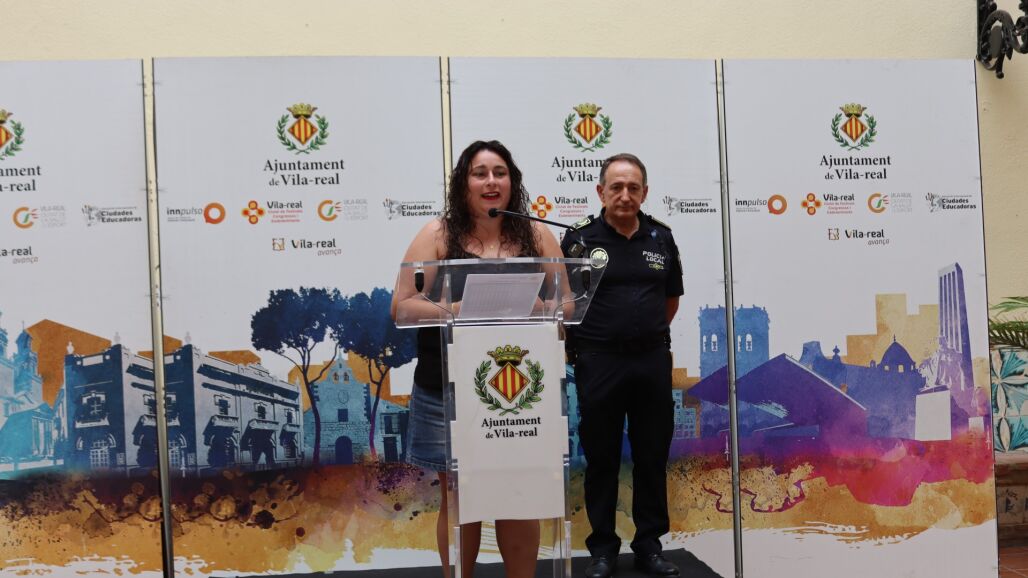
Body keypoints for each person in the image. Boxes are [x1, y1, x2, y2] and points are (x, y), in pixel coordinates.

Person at [391, 140, 564, 578]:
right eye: (480, 173)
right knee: (459, 496)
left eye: (500, 172)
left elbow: (568, 304)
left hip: (520, 393)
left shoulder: (537, 235)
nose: (491, 181)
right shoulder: (437, 235)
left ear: (512, 182)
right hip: (448, 388)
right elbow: (403, 306)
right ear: (463, 183)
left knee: (518, 493)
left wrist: (538, 308)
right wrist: (459, 310)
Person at [561, 153, 683, 578]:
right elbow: (565, 303)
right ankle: (602, 550)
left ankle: (649, 546)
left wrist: (641, 333)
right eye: (616, 187)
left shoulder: (661, 238)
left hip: (650, 360)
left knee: (652, 455)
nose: (625, 195)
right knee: (601, 458)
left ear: (644, 193)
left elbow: (670, 300)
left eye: (633, 188)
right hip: (599, 361)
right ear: (601, 192)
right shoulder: (579, 240)